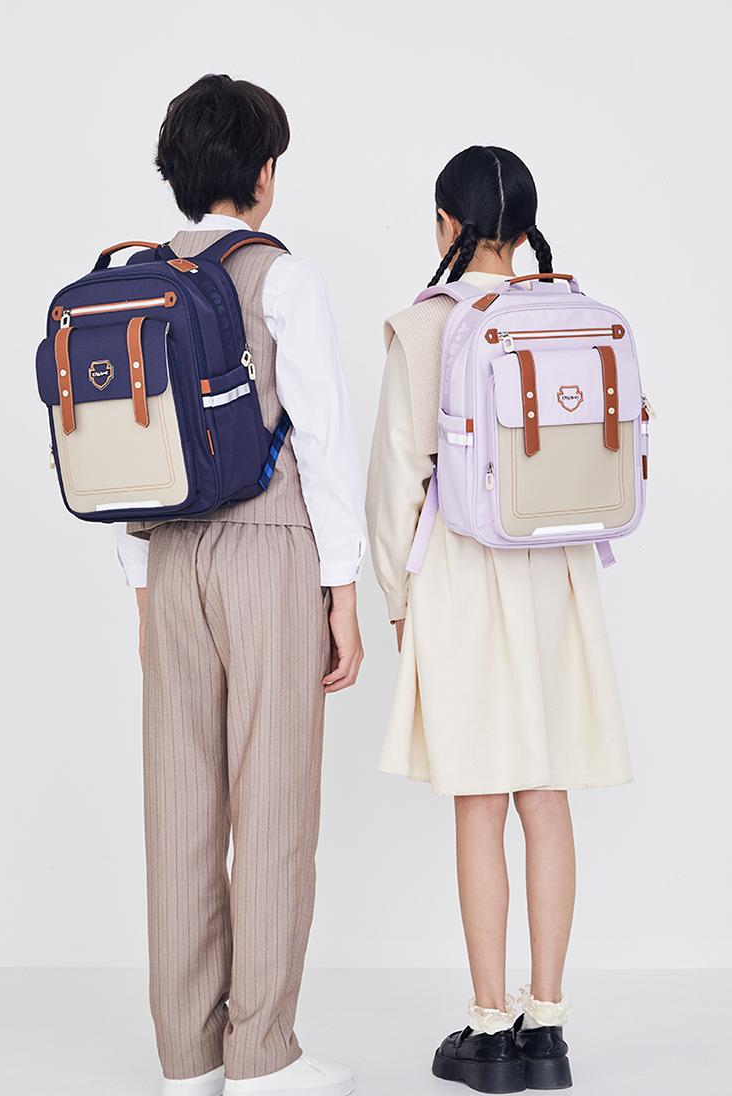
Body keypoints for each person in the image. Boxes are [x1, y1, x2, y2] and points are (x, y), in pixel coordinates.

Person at [115, 74, 364, 1096]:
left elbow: (120, 454)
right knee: (274, 802)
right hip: (268, 550)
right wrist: (342, 589)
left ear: (178, 171)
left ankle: (188, 1059)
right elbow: (325, 440)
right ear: (263, 175)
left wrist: (142, 584)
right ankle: (263, 1055)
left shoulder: (136, 281)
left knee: (179, 806)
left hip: (169, 555)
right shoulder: (281, 277)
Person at [366, 145, 632, 1093]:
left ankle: (488, 1029)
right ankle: (548, 1026)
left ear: (448, 223)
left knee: (479, 799)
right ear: (525, 228)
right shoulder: (572, 315)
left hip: (465, 577)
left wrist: (397, 602)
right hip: (558, 574)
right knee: (546, 796)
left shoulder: (424, 326)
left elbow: (396, 482)